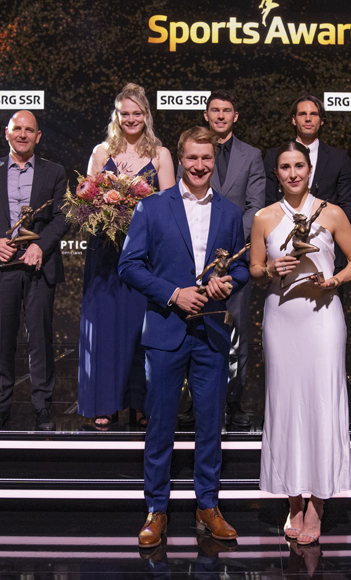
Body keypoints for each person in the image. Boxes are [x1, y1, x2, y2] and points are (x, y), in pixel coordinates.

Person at [119, 126, 248, 548]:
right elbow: (129, 266)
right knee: (160, 426)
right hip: (166, 330)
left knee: (211, 424)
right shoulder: (153, 207)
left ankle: (207, 506)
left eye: (206, 158)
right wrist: (174, 294)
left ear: (215, 161)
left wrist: (229, 282)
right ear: (180, 159)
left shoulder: (230, 212)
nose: (198, 165)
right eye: (192, 158)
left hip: (211, 332)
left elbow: (241, 265)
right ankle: (156, 509)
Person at [250, 141, 351, 544]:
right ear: (276, 173)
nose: (293, 173)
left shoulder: (331, 212)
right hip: (282, 319)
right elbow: (254, 269)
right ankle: (293, 500)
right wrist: (269, 268)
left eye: (299, 165)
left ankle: (317, 503)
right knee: (285, 406)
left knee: (321, 404)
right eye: (285, 167)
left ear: (310, 169)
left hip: (322, 318)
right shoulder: (264, 217)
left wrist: (335, 280)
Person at [78, 83, 175, 429]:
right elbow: (87, 202)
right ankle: (103, 402)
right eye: (125, 113)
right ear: (116, 116)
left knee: (141, 329)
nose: (131, 119)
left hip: (146, 257)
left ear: (146, 115)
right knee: (104, 329)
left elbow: (169, 206)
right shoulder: (101, 152)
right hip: (105, 255)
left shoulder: (161, 154)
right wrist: (107, 210)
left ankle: (140, 403)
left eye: (137, 113)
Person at [0, 110, 68, 431]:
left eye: (29, 130)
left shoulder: (55, 172)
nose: (23, 134)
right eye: (17, 129)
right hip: (3, 265)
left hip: (39, 266)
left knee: (41, 341)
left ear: (38, 136)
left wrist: (41, 246)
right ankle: (0, 408)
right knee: (2, 341)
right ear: (7, 132)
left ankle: (43, 408)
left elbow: (64, 217)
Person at [176, 90, 266, 427]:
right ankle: (191, 401)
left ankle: (234, 402)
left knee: (236, 330)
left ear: (235, 116)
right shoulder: (193, 152)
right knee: (191, 328)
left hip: (235, 257)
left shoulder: (252, 155)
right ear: (206, 114)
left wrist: (229, 240)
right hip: (195, 258)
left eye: (227, 110)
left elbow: (255, 205)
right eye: (214, 110)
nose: (220, 116)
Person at [264, 94, 351, 274]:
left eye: (313, 114)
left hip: (329, 251)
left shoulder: (339, 158)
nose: (308, 119)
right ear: (293, 119)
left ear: (322, 121)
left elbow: (348, 208)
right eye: (302, 114)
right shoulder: (273, 156)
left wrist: (322, 228)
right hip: (283, 252)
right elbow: (268, 202)